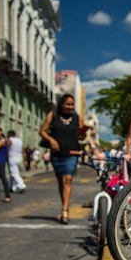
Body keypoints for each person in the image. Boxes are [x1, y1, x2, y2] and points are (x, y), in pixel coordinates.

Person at [40, 93, 87, 224]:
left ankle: (65, 210)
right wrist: (51, 140)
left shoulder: (77, 118)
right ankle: (64, 204)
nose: (70, 107)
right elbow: (42, 131)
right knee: (61, 181)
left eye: (72, 104)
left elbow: (81, 134)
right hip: (57, 154)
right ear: (62, 104)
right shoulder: (53, 116)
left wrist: (83, 135)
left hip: (71, 153)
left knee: (68, 179)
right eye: (67, 104)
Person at [6, 129, 27, 193]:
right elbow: (23, 150)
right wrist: (25, 159)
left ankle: (21, 185)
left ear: (9, 134)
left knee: (14, 173)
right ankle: (12, 187)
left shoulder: (10, 140)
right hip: (19, 157)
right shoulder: (19, 140)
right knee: (13, 172)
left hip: (12, 157)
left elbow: (7, 148)